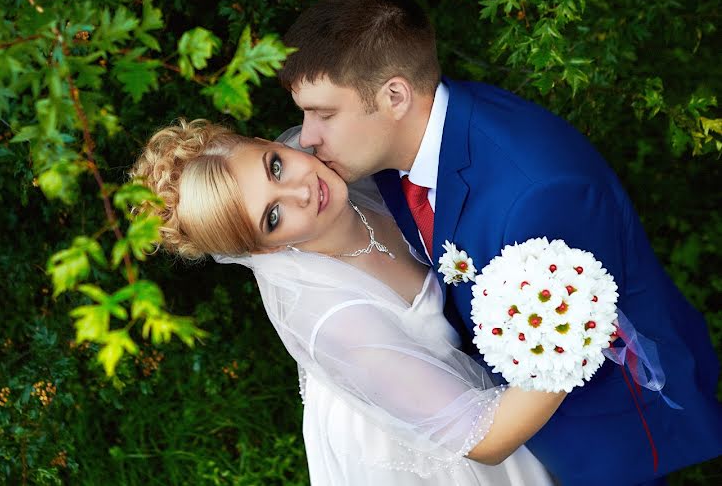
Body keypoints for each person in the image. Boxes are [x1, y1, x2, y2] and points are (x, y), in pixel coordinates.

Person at [277, 0, 722, 485]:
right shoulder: (390, 155)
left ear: (394, 95)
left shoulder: (538, 194)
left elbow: (587, 339)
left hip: (598, 425)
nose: (308, 137)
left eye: (324, 113)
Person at [131, 118, 569, 485]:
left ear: (270, 144)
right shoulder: (335, 321)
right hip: (410, 415)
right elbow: (485, 440)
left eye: (276, 167)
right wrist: (571, 325)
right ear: (264, 250)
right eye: (273, 216)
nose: (301, 192)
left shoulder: (336, 166)